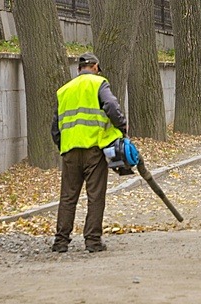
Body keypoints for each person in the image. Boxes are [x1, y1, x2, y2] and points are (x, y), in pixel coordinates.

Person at [51, 52, 127, 253]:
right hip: (94, 149)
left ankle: (60, 242)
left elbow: (55, 126)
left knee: (68, 196)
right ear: (95, 67)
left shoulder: (64, 90)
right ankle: (92, 241)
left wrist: (64, 146)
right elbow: (111, 105)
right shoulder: (99, 83)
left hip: (70, 151)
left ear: (78, 69)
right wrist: (122, 126)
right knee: (95, 195)